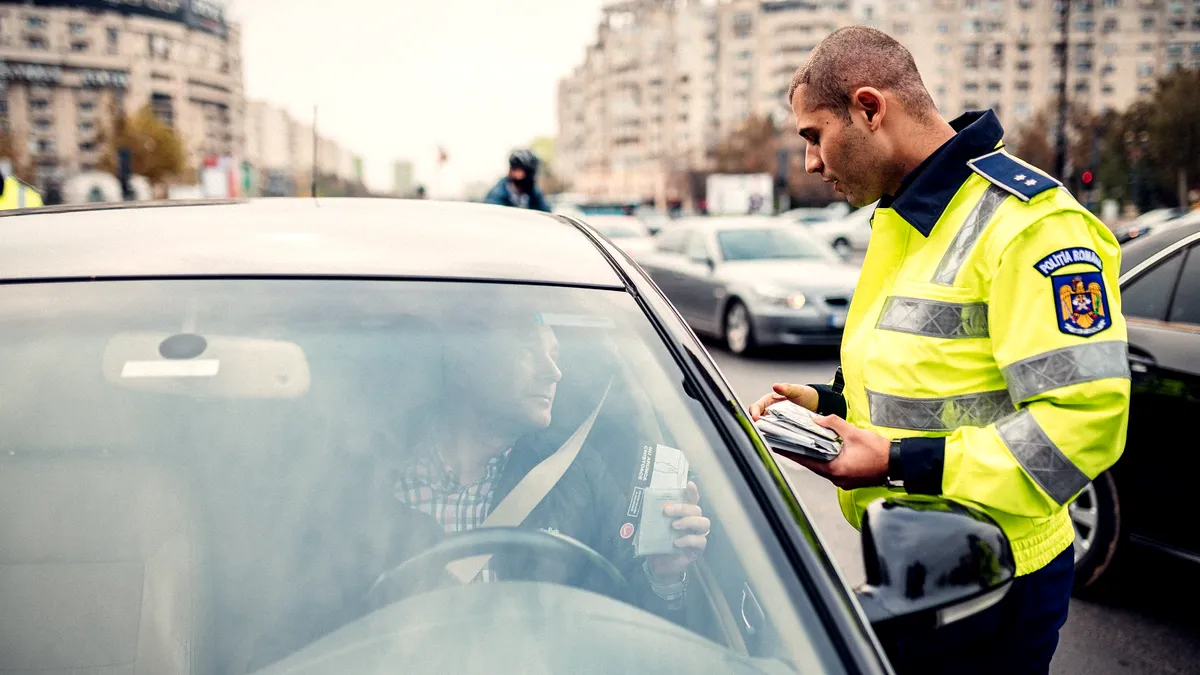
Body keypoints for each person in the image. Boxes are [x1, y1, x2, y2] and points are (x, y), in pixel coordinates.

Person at [748, 26, 1130, 674]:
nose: (810, 163)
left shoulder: (1030, 224)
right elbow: (932, 375)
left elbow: (1083, 423)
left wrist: (898, 460)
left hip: (998, 573)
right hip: (918, 560)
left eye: (814, 136)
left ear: (870, 108)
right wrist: (830, 404)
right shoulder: (903, 215)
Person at [245, 309, 709, 670]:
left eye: (556, 355)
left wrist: (665, 575)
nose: (554, 373)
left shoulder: (576, 476)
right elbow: (302, 628)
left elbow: (640, 633)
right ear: (464, 364)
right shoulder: (364, 475)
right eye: (530, 350)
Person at [484, 149, 551, 212]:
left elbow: (547, 213)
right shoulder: (497, 195)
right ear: (511, 170)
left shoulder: (534, 193)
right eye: (525, 171)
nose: (528, 176)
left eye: (531, 172)